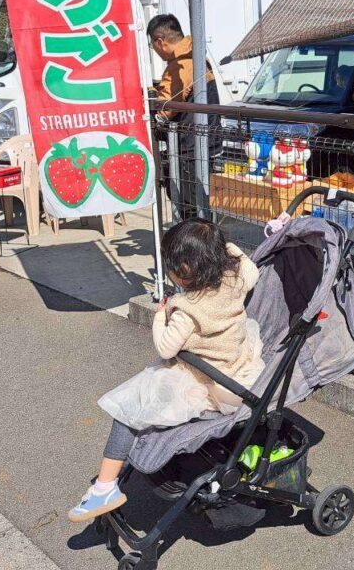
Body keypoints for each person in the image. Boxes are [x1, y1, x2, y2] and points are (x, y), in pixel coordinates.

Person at [67, 219, 263, 523]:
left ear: (184, 270)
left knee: (129, 409)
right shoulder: (235, 278)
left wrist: (161, 317)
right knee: (145, 398)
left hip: (205, 382)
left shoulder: (186, 308)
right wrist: (227, 249)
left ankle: (105, 488)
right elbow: (250, 266)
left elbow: (167, 349)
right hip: (236, 371)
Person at [147, 14, 221, 218]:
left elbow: (167, 106)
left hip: (190, 144)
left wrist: (154, 113)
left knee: (189, 203)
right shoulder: (196, 57)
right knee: (200, 199)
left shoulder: (180, 66)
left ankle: (195, 244)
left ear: (160, 41)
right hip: (207, 138)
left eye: (153, 45)